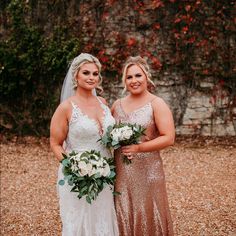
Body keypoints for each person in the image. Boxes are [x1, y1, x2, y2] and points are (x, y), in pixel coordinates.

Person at [50, 53, 119, 236]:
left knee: (102, 216)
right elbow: (55, 143)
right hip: (77, 174)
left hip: (105, 172)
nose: (91, 77)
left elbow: (110, 138)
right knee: (78, 219)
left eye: (95, 74)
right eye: (86, 73)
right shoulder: (66, 107)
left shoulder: (104, 104)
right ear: (76, 76)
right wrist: (74, 167)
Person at [111, 56, 175, 236]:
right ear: (124, 80)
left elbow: (169, 137)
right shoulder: (117, 105)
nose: (134, 81)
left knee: (148, 212)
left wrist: (139, 148)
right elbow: (106, 133)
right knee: (123, 208)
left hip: (148, 171)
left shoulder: (157, 104)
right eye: (129, 77)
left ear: (146, 76)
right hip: (122, 172)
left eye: (138, 75)